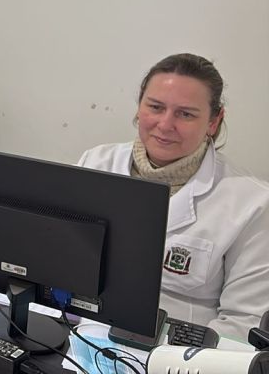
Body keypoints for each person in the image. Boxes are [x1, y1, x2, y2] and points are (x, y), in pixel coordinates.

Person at [77, 53, 269, 340]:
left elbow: (245, 322)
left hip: (182, 355)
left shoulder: (252, 203)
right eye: (155, 107)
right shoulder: (95, 163)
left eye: (186, 114)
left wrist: (171, 357)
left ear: (213, 122)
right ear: (139, 107)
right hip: (82, 337)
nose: (166, 125)